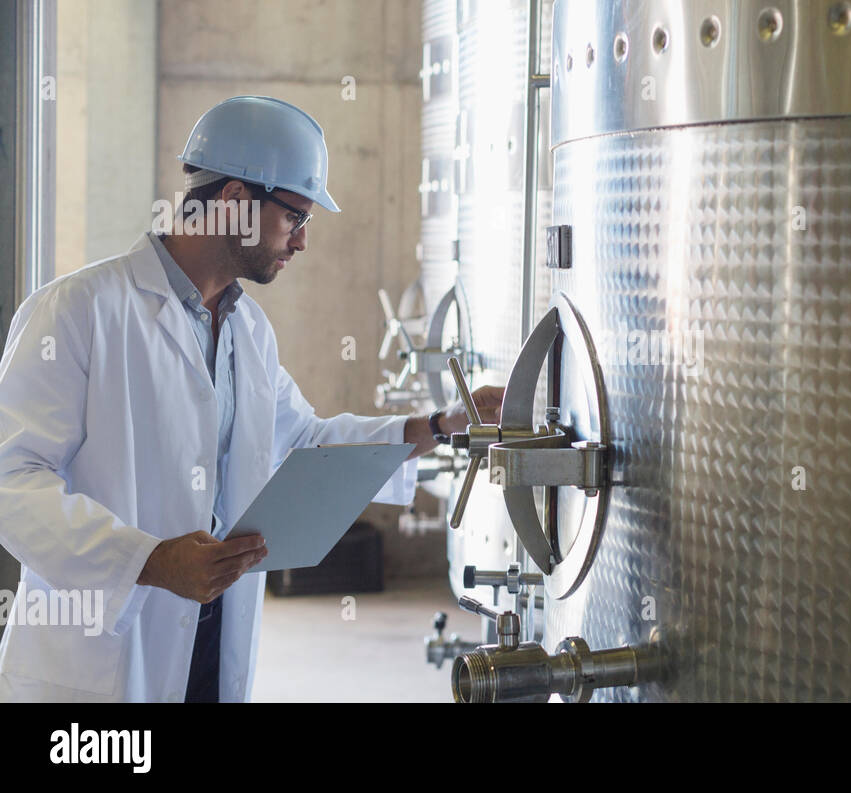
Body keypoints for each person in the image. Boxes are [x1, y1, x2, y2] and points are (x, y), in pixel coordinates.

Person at [0, 96, 502, 702]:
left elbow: (304, 444)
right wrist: (148, 561)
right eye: (295, 217)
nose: (303, 242)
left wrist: (441, 424)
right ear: (236, 201)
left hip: (210, 646)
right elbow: (13, 482)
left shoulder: (248, 330)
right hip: (103, 655)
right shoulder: (78, 312)